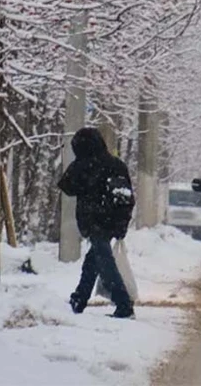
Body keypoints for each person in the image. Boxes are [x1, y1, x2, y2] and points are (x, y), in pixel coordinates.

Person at [57, 127, 135, 319]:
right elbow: (127, 196)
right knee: (93, 261)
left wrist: (78, 166)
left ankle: (123, 303)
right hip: (111, 221)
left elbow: (66, 186)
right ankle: (79, 298)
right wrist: (122, 223)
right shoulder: (116, 164)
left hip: (94, 221)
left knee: (104, 262)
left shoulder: (83, 165)